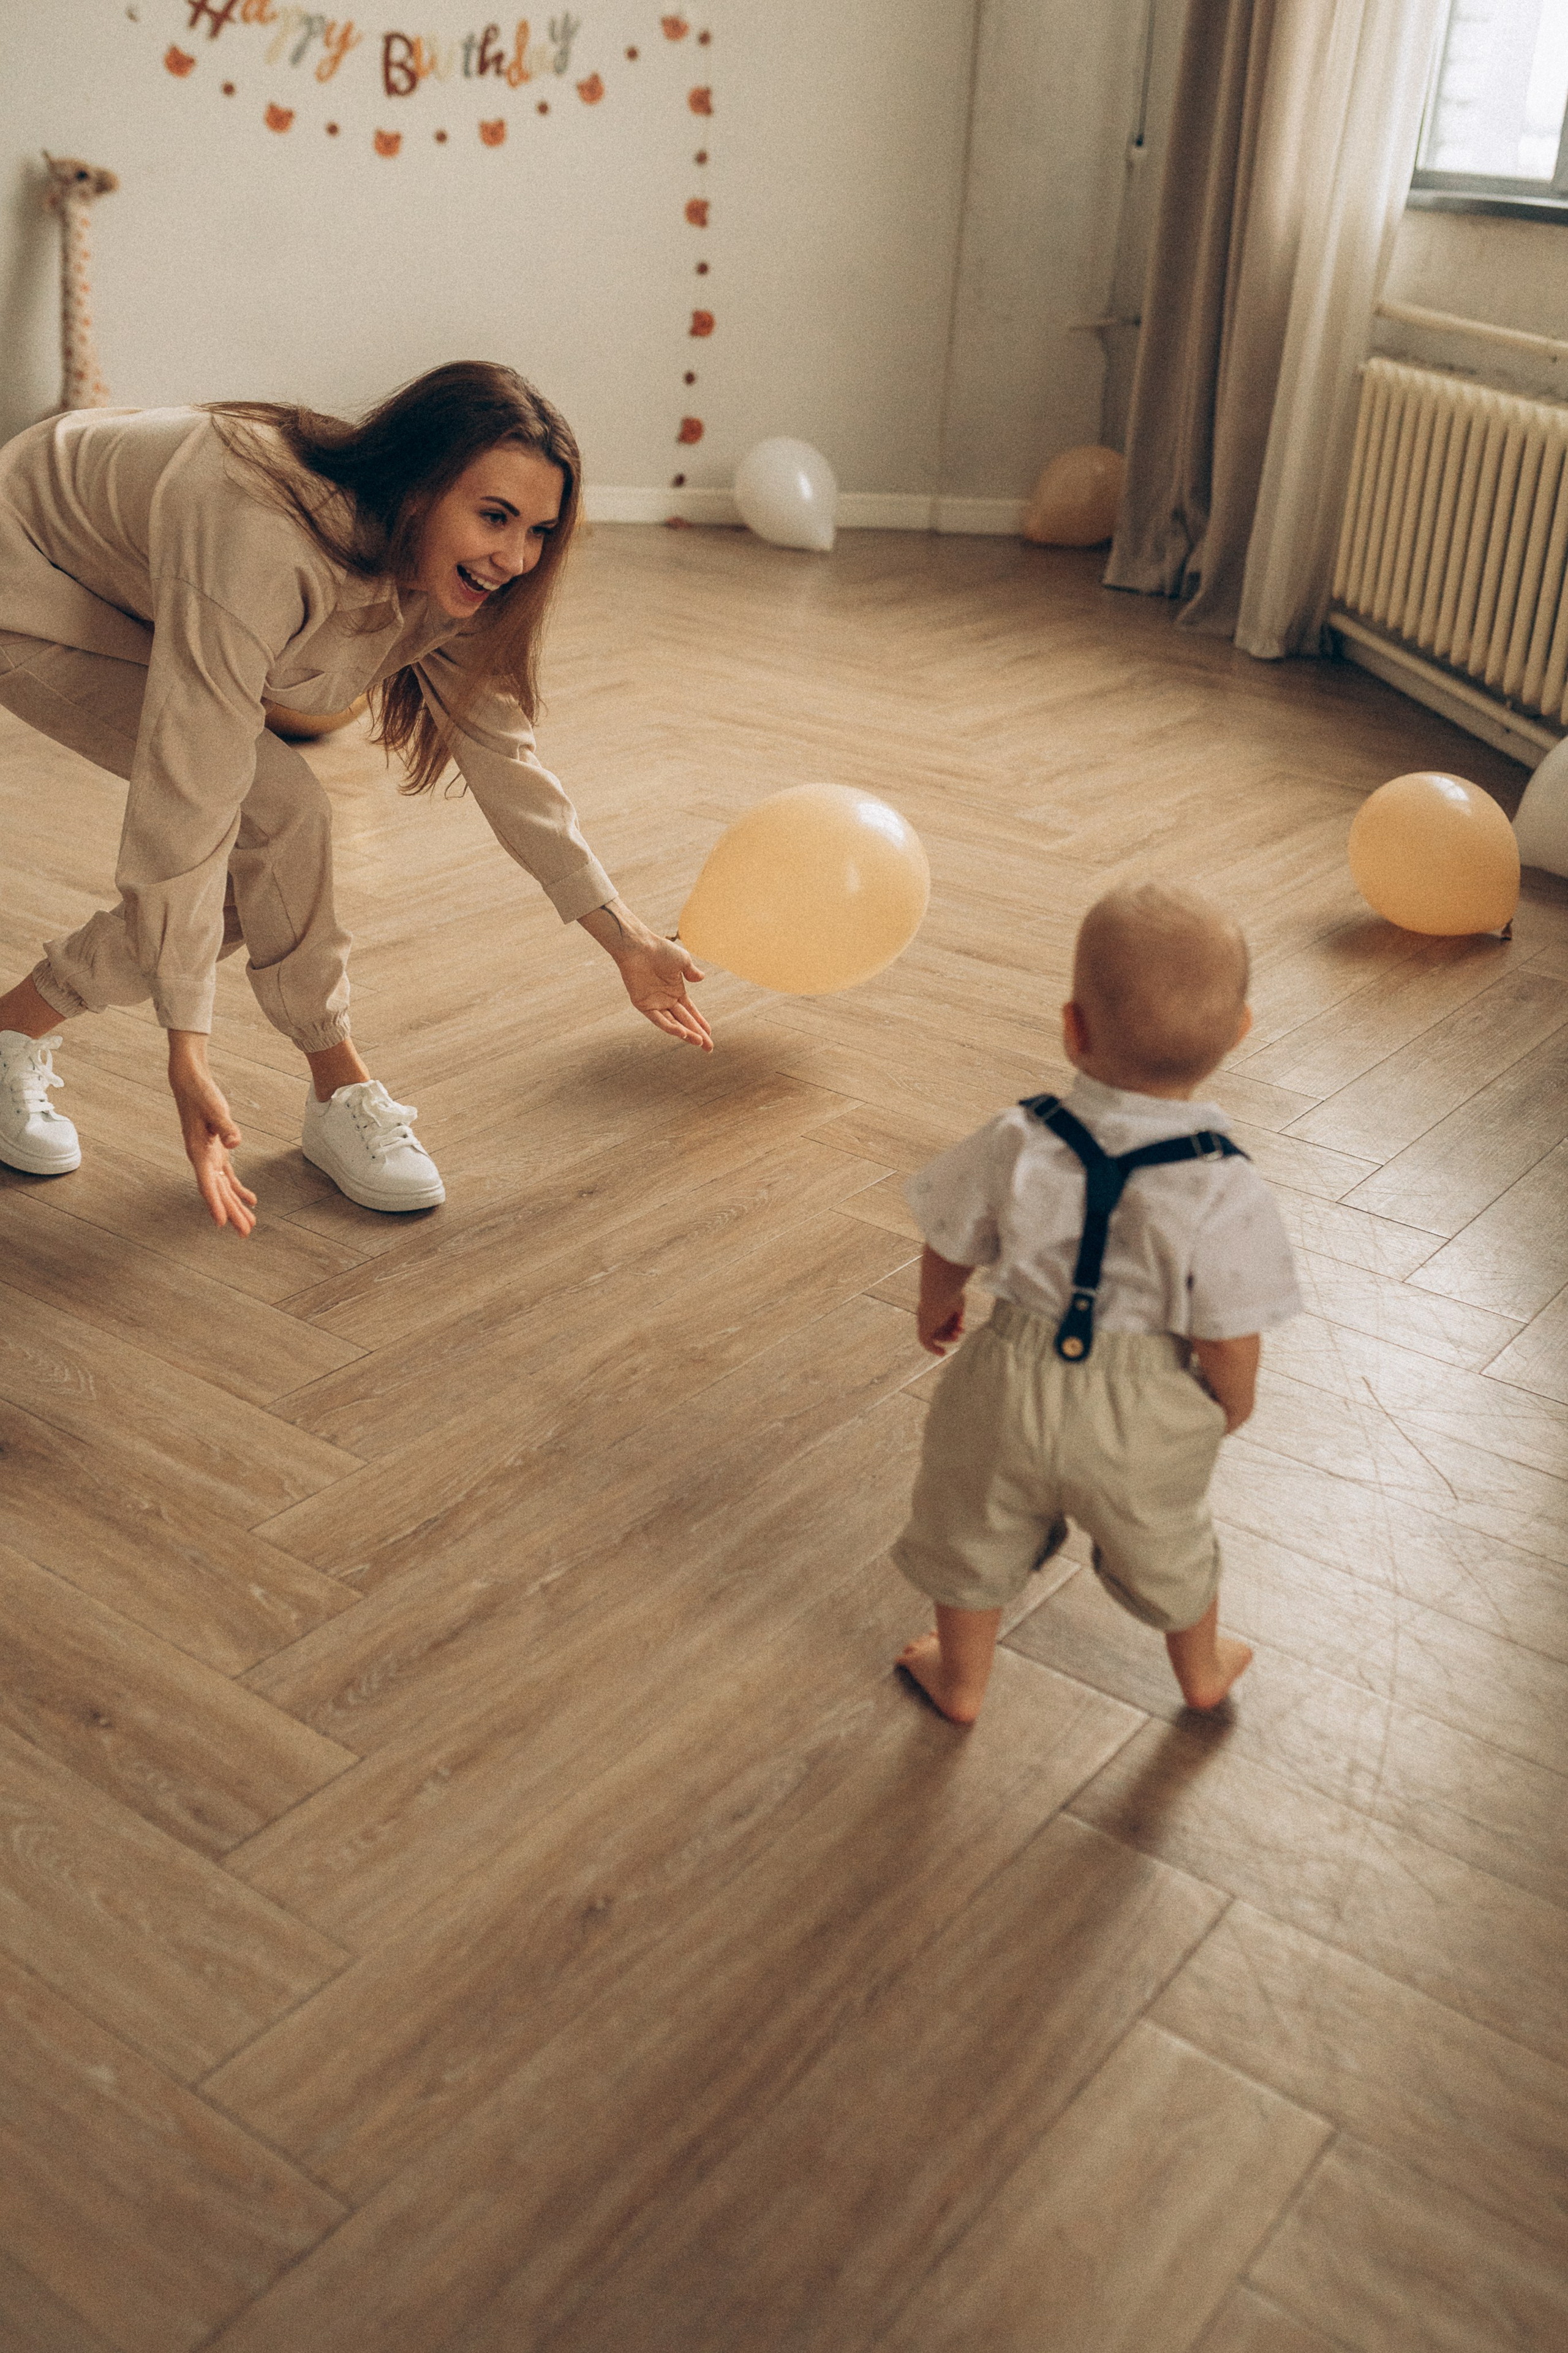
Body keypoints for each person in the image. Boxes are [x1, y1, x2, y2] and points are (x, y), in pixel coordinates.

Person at [0, 361, 710, 1231]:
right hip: (27, 568)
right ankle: (340, 1083)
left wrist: (627, 939)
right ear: (418, 487)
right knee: (280, 811)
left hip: (139, 572)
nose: (516, 558)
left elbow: (508, 764)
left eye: (537, 530)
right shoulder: (258, 534)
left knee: (267, 841)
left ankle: (14, 1028)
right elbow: (186, 800)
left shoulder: (458, 579)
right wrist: (187, 1049)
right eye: (494, 517)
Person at [891, 883, 1300, 1724]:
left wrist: (937, 1305)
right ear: (1239, 1035)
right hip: (1144, 1408)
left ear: (1072, 1026)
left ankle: (960, 1680)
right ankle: (1201, 1669)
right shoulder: (1225, 1180)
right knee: (1171, 1542)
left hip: (1006, 1380)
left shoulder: (1020, 1132)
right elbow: (1228, 1328)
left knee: (969, 1527)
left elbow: (949, 1232)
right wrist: (1234, 1400)